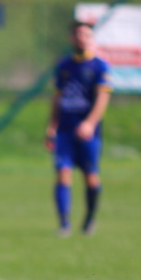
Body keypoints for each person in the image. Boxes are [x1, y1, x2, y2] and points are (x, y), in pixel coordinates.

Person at [45, 21, 112, 237]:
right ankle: (64, 224)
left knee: (91, 177)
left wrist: (90, 123)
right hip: (65, 130)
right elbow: (57, 99)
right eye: (78, 34)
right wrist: (52, 125)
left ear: (91, 38)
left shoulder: (99, 67)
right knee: (63, 174)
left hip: (87, 134)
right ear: (71, 38)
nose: (81, 38)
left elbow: (102, 99)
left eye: (86, 34)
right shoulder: (64, 66)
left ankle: (90, 219)